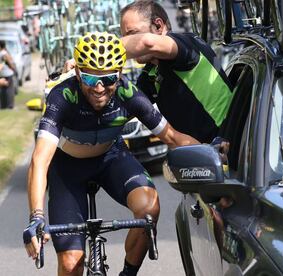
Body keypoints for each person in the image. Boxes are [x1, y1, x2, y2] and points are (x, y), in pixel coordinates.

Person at [23, 32, 199, 276]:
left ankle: (127, 274)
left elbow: (173, 138)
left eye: (107, 79)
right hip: (67, 168)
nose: (98, 88)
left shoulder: (128, 94)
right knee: (71, 262)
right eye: (88, 78)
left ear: (119, 75)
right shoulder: (62, 97)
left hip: (111, 157)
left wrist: (211, 155)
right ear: (77, 74)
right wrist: (36, 217)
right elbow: (40, 160)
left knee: (149, 210)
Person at [120, 0, 234, 143]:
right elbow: (126, 109)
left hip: (232, 145)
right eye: (124, 36)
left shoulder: (186, 44)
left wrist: (100, 50)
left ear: (158, 26)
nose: (127, 41)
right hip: (204, 156)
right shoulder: (150, 72)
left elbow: (147, 43)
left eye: (132, 35)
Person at [0, 40, 17, 109]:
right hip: (8, 73)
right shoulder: (4, 53)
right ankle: (9, 105)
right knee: (9, 90)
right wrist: (13, 69)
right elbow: (9, 62)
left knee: (3, 91)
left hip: (2, 74)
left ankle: (3, 105)